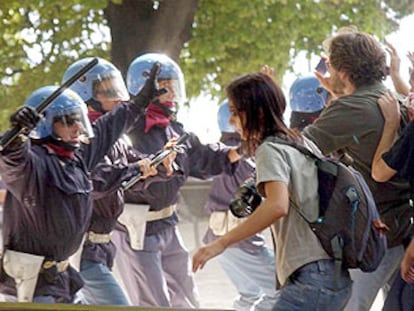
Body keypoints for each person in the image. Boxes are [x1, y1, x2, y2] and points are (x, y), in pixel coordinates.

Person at [0, 61, 163, 303]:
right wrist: (18, 133)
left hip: (64, 278)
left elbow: (109, 127)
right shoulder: (33, 166)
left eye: (79, 120)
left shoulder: (77, 157)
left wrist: (140, 101)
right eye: (67, 122)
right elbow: (11, 156)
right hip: (34, 286)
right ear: (46, 124)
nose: (77, 128)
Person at [192, 72, 352, 310]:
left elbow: (277, 205)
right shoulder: (300, 141)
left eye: (236, 112)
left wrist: (221, 243)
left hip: (309, 277)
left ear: (256, 113)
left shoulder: (270, 150)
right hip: (334, 273)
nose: (231, 121)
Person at [111, 53, 240, 308]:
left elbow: (205, 158)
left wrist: (241, 148)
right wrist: (154, 167)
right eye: (165, 86)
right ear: (145, 88)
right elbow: (123, 173)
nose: (172, 93)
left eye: (174, 86)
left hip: (167, 224)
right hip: (136, 229)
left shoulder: (174, 129)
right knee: (153, 303)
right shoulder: (124, 130)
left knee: (187, 298)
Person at [302, 30, 414, 310]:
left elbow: (297, 149)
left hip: (374, 237)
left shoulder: (352, 108)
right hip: (400, 230)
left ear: (341, 70)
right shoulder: (393, 100)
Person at [61, 57, 174, 305]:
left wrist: (159, 164)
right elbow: (98, 181)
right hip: (84, 247)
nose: (118, 97)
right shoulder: (82, 136)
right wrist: (136, 168)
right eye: (109, 90)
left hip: (102, 245)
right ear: (86, 94)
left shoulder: (117, 137)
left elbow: (131, 170)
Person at [202, 99, 277, 311]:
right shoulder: (246, 160)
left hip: (218, 237)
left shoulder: (219, 155)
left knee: (249, 294)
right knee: (283, 290)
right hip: (241, 242)